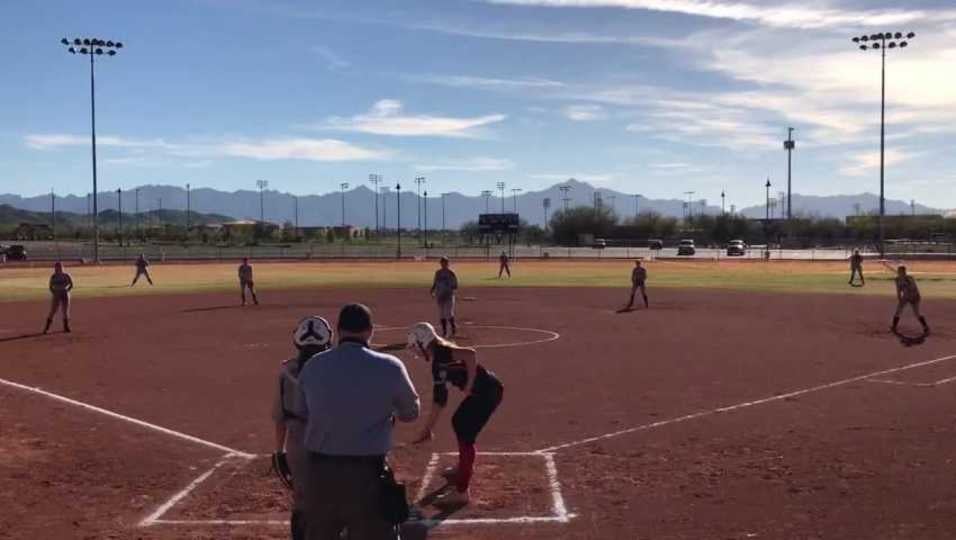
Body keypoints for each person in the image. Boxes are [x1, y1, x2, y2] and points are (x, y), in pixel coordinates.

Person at [295, 304, 420, 540]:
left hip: (320, 475)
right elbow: (411, 413)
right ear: (370, 331)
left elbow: (301, 413)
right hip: (367, 476)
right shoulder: (390, 366)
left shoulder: (313, 366)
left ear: (339, 331)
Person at [408, 322, 504, 506]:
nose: (416, 353)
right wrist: (428, 429)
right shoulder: (438, 363)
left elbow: (470, 354)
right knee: (458, 421)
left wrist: (469, 383)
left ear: (422, 343)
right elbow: (439, 402)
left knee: (465, 432)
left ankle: (461, 492)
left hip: (489, 393)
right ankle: (463, 467)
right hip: (483, 393)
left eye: (415, 348)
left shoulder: (443, 353)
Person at [272, 316, 334, 540]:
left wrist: (279, 453)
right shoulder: (337, 368)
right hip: (334, 442)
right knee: (337, 497)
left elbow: (280, 418)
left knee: (302, 501)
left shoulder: (286, 371)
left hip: (299, 444)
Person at [892, 266, 930, 335]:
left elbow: (913, 288)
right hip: (905, 297)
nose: (899, 272)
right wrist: (899, 298)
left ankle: (925, 327)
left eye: (901, 271)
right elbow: (898, 290)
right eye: (899, 271)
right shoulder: (897, 280)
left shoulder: (910, 278)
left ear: (904, 272)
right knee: (898, 311)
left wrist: (905, 282)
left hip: (914, 297)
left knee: (917, 314)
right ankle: (894, 326)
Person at [430, 257, 459, 337]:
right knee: (441, 314)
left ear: (448, 263)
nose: (443, 264)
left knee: (449, 313)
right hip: (439, 296)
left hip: (448, 296)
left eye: (445, 263)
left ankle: (453, 328)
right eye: (442, 262)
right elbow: (435, 283)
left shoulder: (451, 273)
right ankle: (444, 331)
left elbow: (455, 286)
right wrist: (432, 290)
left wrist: (448, 289)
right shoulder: (438, 273)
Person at [44, 262, 73, 334]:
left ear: (62, 267)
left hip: (65, 294)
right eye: (56, 267)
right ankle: (47, 328)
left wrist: (67, 290)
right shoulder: (53, 276)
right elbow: (50, 286)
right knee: (53, 311)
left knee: (65, 311)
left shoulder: (66, 275)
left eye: (59, 267)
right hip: (56, 294)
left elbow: (71, 284)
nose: (58, 268)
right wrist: (54, 292)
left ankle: (66, 327)